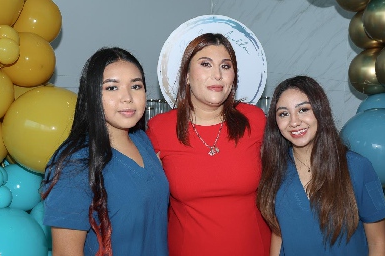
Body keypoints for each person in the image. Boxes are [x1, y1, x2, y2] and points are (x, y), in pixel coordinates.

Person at [146, 33, 271, 255]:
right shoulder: (159, 129)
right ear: (186, 75)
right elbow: (144, 201)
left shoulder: (255, 120)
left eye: (226, 66)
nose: (217, 75)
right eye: (206, 64)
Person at [41, 47, 169, 256]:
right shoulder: (76, 163)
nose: (127, 97)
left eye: (136, 86)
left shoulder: (143, 141)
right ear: (92, 95)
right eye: (112, 88)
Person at [257, 76, 385, 256]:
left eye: (303, 110)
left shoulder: (358, 167)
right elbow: (278, 236)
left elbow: (377, 242)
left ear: (320, 111)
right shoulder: (275, 169)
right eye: (284, 114)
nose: (294, 122)